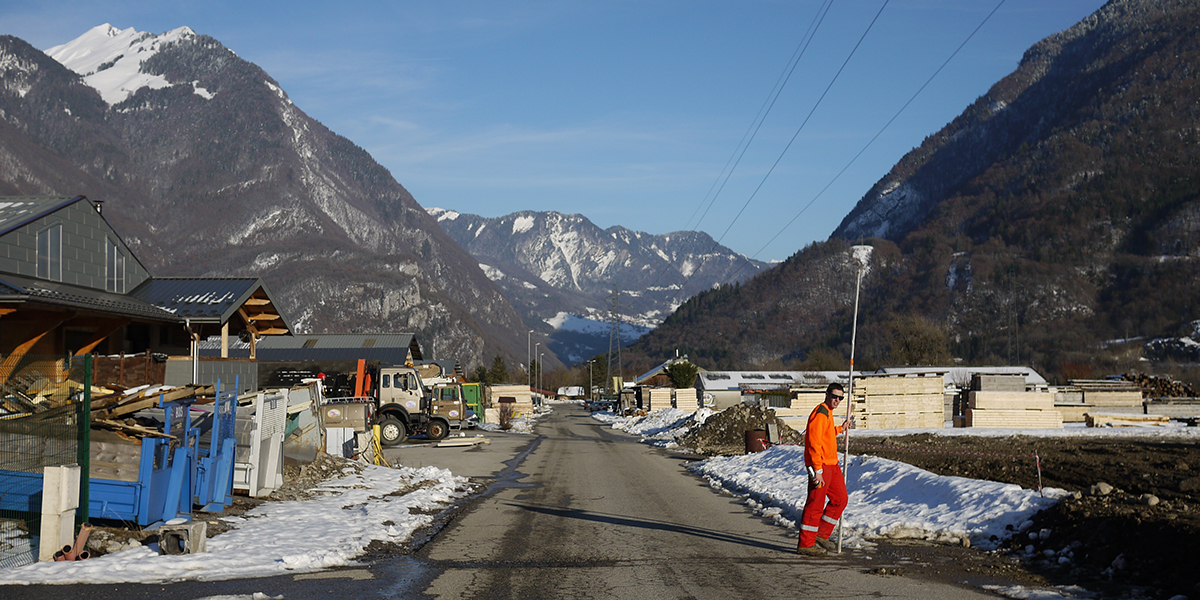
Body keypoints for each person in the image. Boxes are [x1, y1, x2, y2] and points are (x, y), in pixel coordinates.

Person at [797, 382, 854, 556]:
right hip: (821, 465)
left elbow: (826, 434)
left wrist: (840, 428)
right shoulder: (820, 413)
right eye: (835, 396)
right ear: (827, 394)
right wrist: (817, 470)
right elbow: (814, 443)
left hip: (832, 464)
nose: (837, 400)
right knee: (815, 504)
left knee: (840, 499)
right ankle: (806, 544)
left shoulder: (828, 413)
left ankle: (821, 535)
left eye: (841, 398)